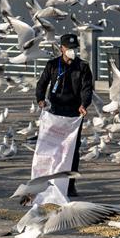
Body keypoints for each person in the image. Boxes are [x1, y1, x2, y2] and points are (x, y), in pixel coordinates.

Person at [35, 33, 94, 197]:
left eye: (74, 48)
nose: (72, 51)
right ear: (61, 48)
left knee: (72, 150)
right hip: (55, 111)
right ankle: (47, 181)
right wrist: (40, 100)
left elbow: (87, 88)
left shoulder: (82, 67)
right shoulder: (52, 65)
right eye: (69, 48)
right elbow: (42, 84)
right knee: (52, 147)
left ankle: (69, 184)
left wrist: (84, 104)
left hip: (73, 113)